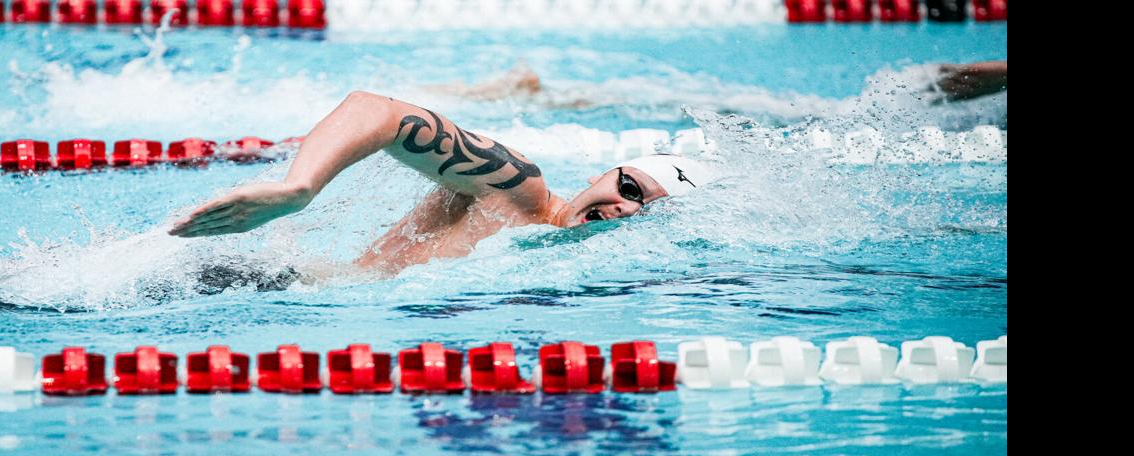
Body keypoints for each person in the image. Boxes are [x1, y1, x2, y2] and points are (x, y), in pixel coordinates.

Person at [168, 91, 720, 279]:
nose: (624, 207)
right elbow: (376, 110)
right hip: (268, 284)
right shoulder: (517, 186)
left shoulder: (568, 261)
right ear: (603, 173)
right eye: (628, 186)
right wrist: (299, 189)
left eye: (644, 207)